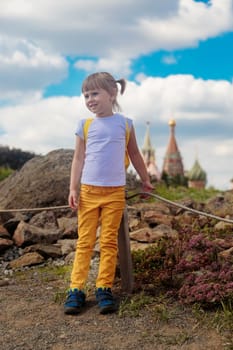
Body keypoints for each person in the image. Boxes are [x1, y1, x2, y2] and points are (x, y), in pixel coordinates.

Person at [64, 72, 153, 315]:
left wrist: (145, 179)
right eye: (86, 95)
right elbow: (78, 158)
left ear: (111, 94)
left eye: (94, 94)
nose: (89, 99)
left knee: (108, 241)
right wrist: (73, 188)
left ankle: (104, 287)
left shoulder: (125, 124)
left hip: (115, 193)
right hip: (89, 191)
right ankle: (76, 289)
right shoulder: (85, 124)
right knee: (85, 241)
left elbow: (134, 154)